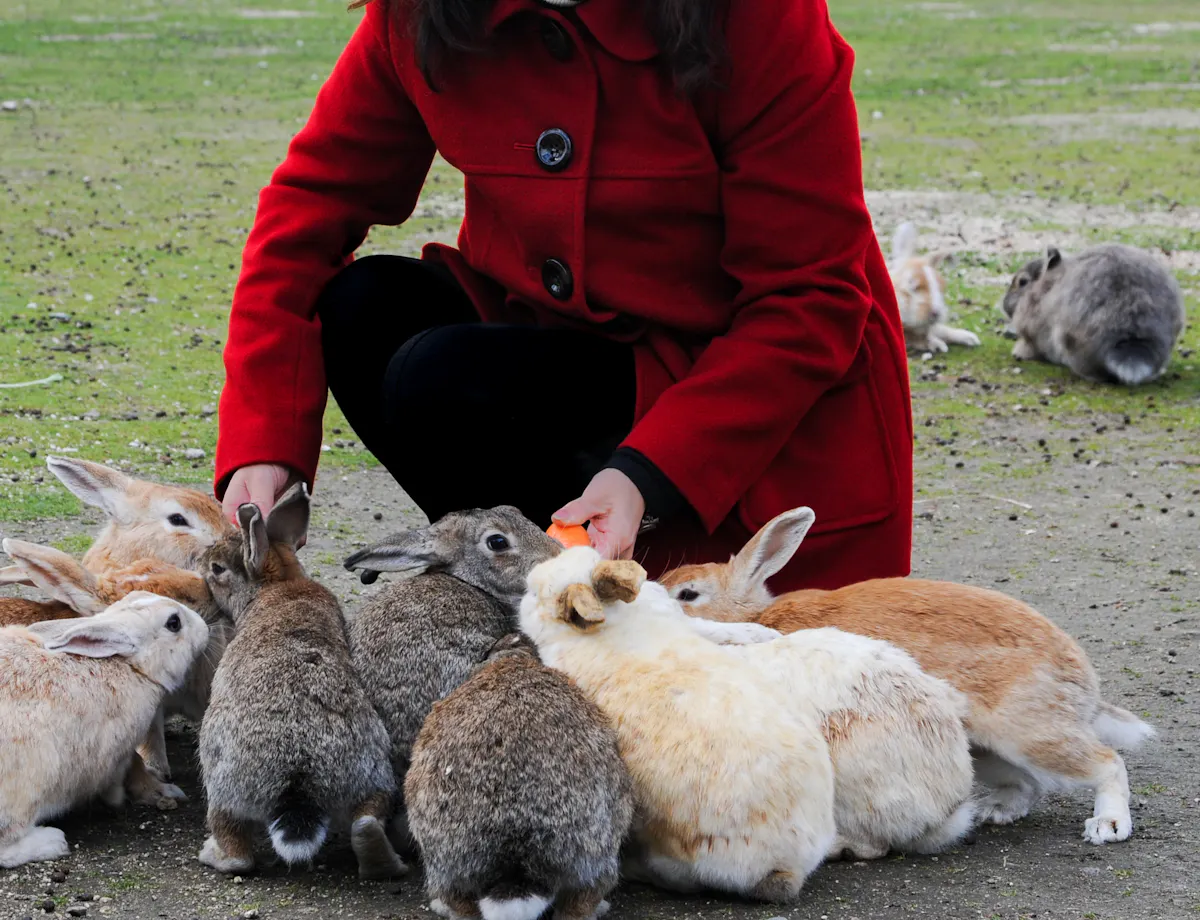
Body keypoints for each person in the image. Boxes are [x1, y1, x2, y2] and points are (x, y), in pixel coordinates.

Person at [214, 0, 914, 592]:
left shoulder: (758, 17)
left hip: (746, 408)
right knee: (369, 308)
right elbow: (307, 211)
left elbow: (809, 299)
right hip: (557, 366)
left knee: (447, 372)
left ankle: (614, 601)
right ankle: (537, 589)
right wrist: (262, 444)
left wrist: (649, 472)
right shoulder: (424, 12)